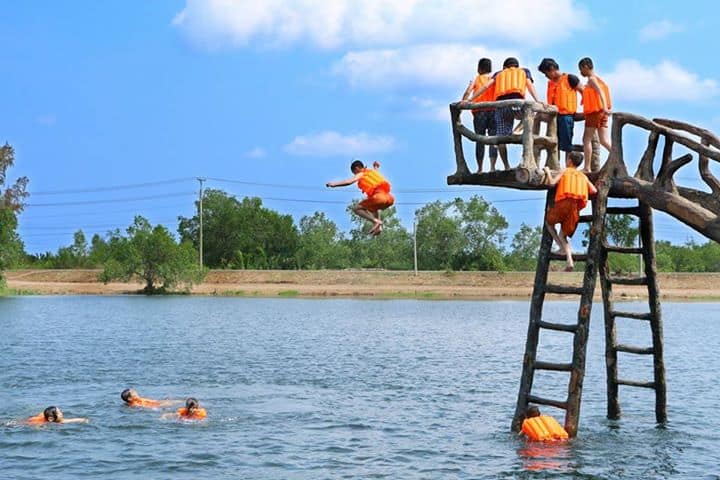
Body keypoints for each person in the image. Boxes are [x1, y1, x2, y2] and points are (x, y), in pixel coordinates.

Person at [468, 57, 541, 167]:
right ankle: (517, 130)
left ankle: (506, 165)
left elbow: (486, 86)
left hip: (501, 107)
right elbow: (529, 85)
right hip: (517, 106)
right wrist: (538, 101)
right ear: (517, 66)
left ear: (504, 67)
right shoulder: (524, 72)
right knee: (532, 114)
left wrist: (470, 99)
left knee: (501, 139)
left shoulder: (499, 73)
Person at [542, 152, 597, 271]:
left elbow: (551, 183)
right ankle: (569, 260)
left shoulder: (564, 171)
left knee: (549, 224)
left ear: (570, 161)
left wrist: (547, 171)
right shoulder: (583, 176)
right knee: (563, 235)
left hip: (563, 204)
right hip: (575, 208)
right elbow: (594, 190)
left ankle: (561, 248)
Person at [326, 159, 394, 236]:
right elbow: (376, 171)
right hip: (389, 199)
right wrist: (376, 166)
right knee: (374, 208)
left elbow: (349, 181)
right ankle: (379, 227)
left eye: (354, 172)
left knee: (356, 209)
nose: (354, 174)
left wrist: (334, 184)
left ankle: (376, 221)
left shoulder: (362, 173)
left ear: (357, 168)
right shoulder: (373, 172)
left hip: (379, 197)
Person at [462, 57, 505, 172]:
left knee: (479, 139)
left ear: (479, 68)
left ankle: (480, 168)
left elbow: (468, 91)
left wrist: (463, 103)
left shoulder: (477, 79)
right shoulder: (494, 78)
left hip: (479, 111)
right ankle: (492, 167)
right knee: (493, 139)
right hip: (493, 111)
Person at [537, 58, 581, 164]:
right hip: (554, 116)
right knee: (554, 143)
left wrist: (587, 110)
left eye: (546, 73)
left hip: (566, 116)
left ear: (552, 69)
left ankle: (568, 167)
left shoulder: (570, 78)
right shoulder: (551, 83)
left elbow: (584, 91)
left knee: (567, 144)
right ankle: (555, 165)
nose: (545, 76)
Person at [578, 57, 612, 172]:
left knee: (586, 139)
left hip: (595, 113)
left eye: (581, 69)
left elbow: (600, 92)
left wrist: (605, 107)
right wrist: (605, 109)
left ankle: (587, 167)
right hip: (602, 113)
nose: (580, 72)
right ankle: (618, 159)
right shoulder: (597, 79)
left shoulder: (592, 80)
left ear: (586, 67)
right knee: (603, 140)